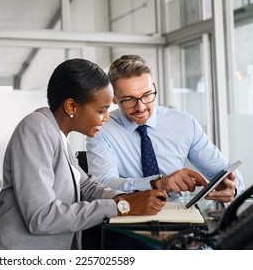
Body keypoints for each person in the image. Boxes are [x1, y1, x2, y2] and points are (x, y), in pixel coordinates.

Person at [0, 58, 167, 250]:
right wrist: (121, 206)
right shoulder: (36, 129)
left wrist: (126, 198)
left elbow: (86, 186)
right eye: (101, 110)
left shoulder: (57, 134)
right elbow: (42, 217)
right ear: (71, 106)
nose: (106, 118)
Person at [86, 54, 244, 203]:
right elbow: (103, 186)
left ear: (154, 87)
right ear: (114, 98)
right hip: (127, 220)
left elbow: (225, 171)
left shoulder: (184, 123)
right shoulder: (101, 129)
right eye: (129, 99)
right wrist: (157, 184)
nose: (141, 107)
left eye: (147, 95)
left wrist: (232, 187)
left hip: (181, 217)